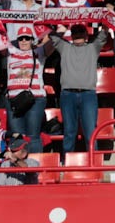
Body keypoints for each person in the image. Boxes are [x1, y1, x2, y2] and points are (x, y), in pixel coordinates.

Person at [42, 23, 108, 153]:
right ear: (71, 36)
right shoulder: (65, 47)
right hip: (68, 95)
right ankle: (67, 162)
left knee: (90, 131)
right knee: (69, 131)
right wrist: (62, 26)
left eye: (80, 32)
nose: (77, 35)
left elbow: (104, 34)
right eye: (75, 33)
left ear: (86, 35)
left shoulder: (92, 47)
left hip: (88, 95)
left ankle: (93, 162)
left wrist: (106, 21)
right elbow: (51, 34)